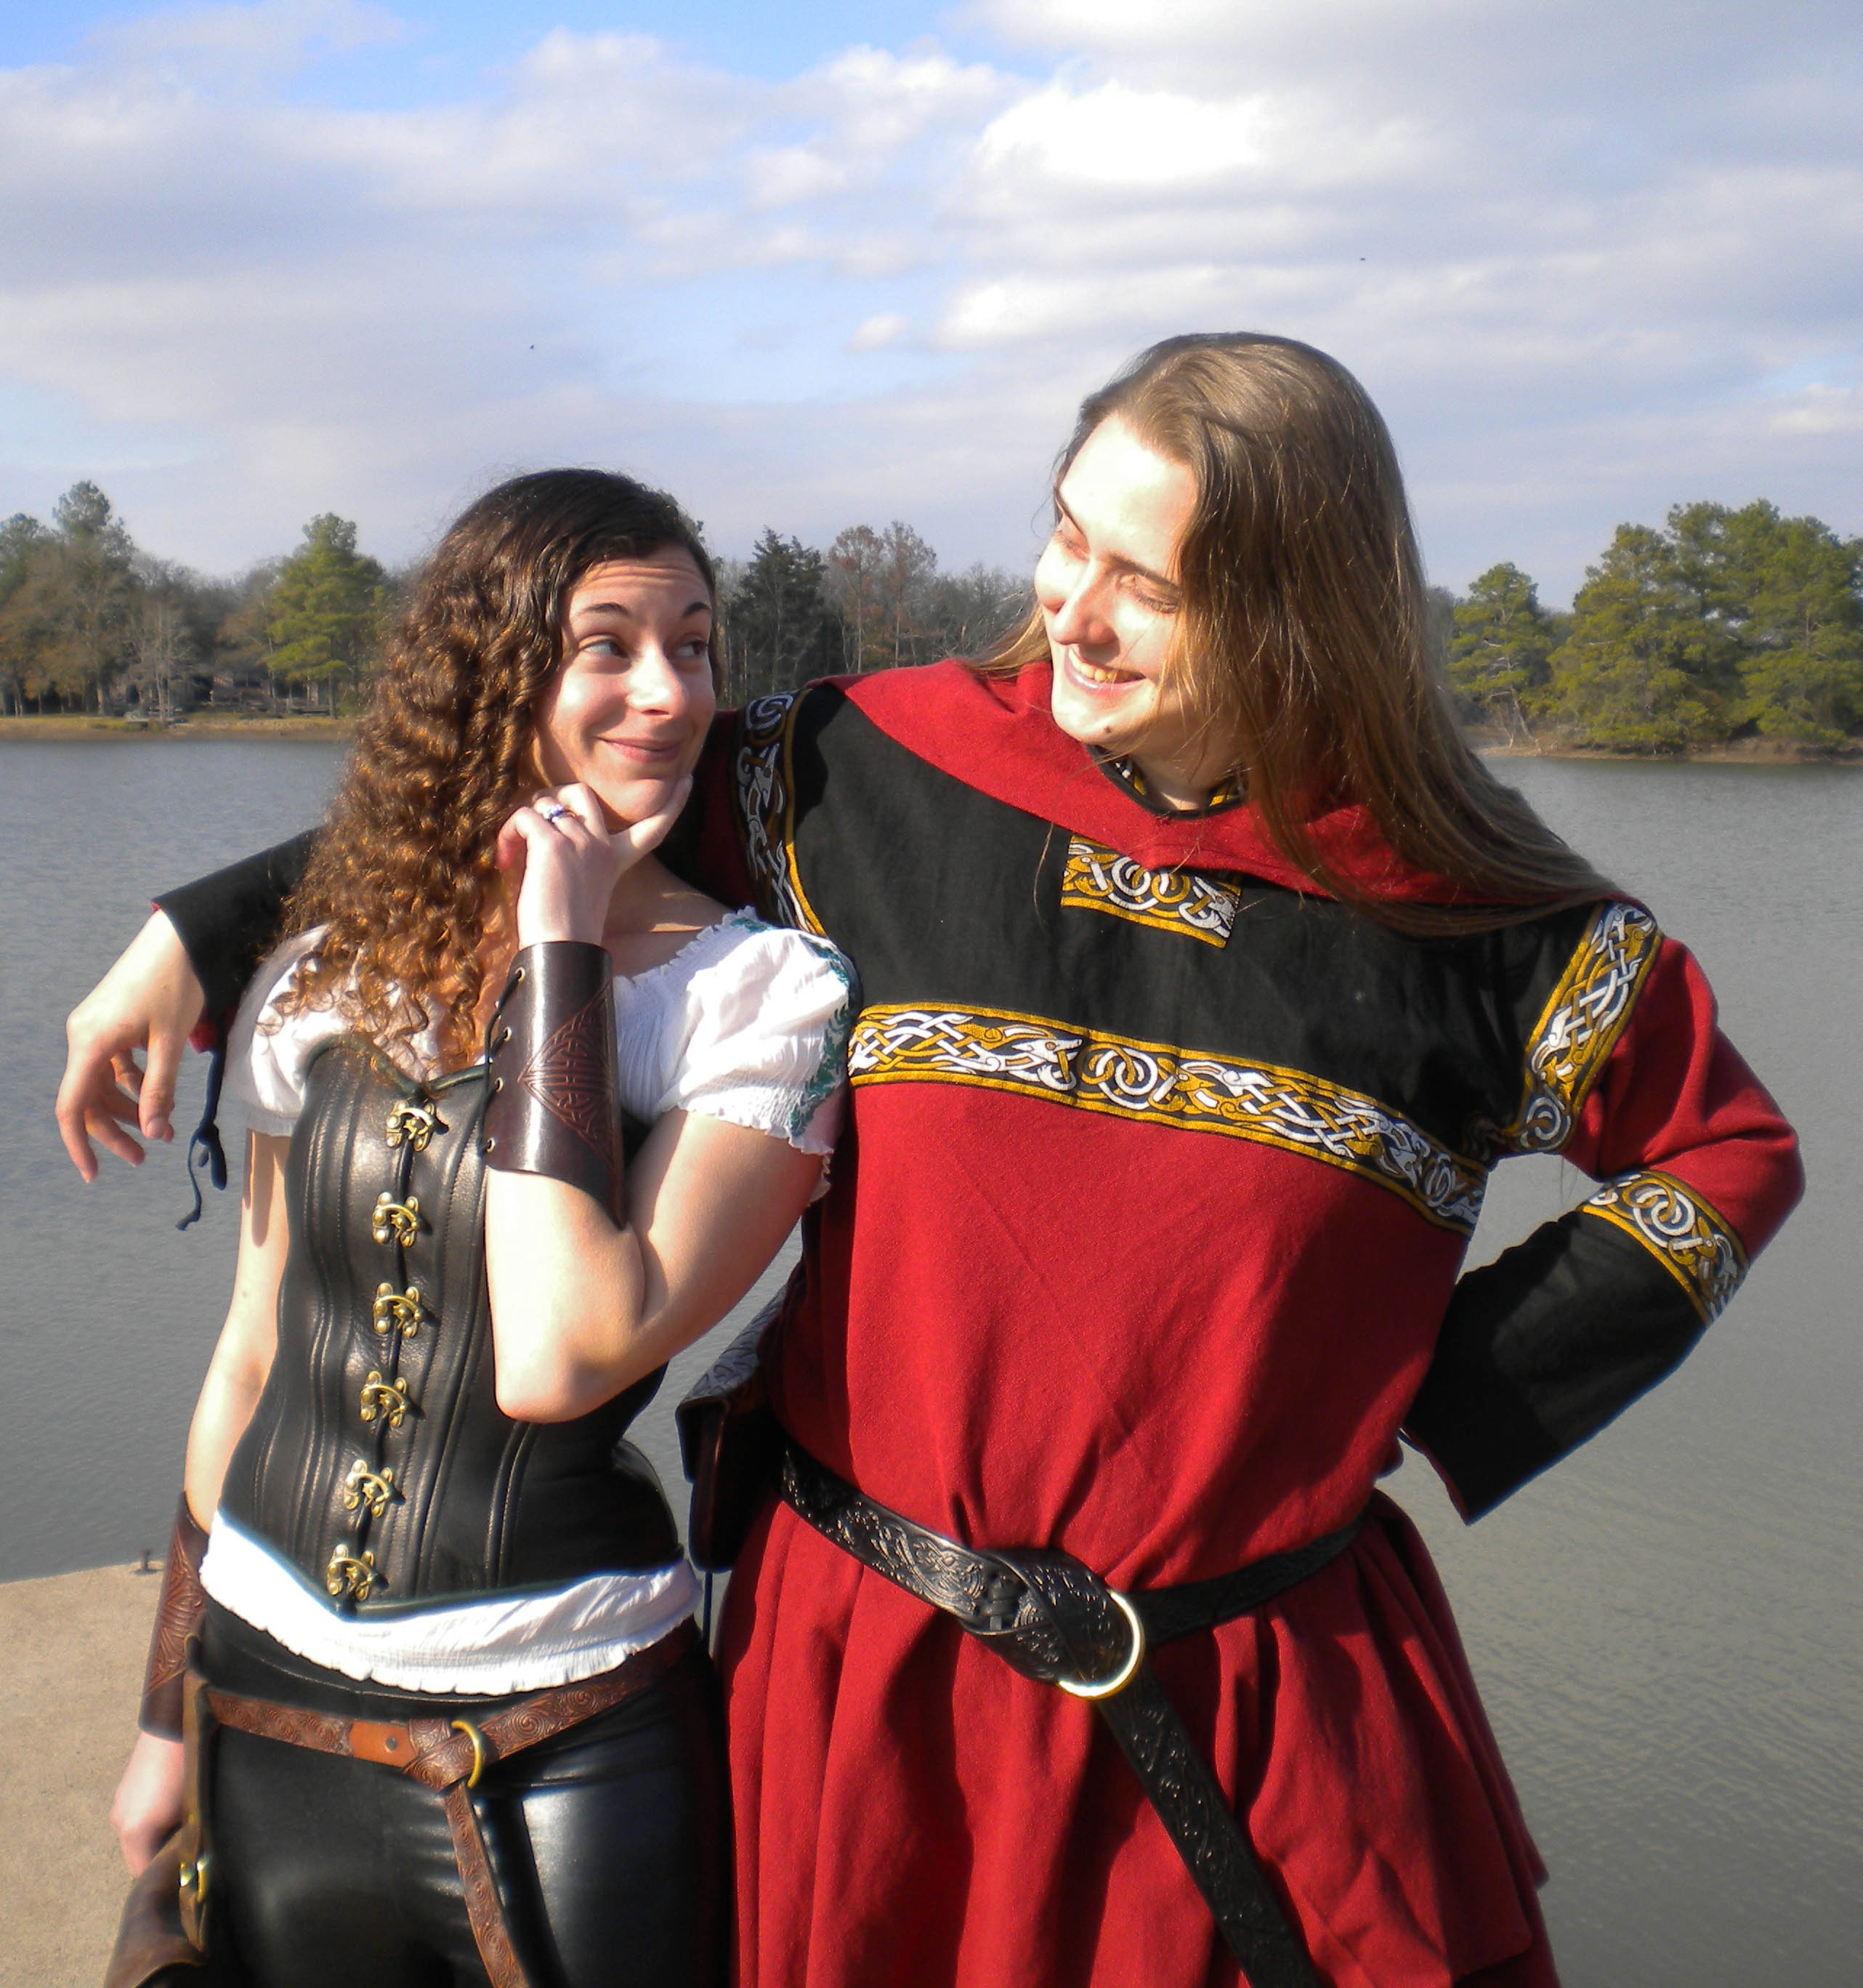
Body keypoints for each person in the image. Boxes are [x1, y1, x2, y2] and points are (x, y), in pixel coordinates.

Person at [65, 337, 1801, 1988]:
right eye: (1068, 534)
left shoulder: (1485, 928)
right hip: (868, 1682)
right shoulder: (858, 779)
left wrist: (1423, 1397)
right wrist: (194, 934)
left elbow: (1726, 1153)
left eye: (1147, 583)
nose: (1071, 608)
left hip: (1245, 1701)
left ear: (1298, 612)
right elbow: (520, 802)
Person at [97, 469, 853, 1988]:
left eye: (696, 645)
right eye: (610, 646)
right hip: (262, 1690)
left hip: (563, 1726)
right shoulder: (324, 966)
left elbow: (567, 1351)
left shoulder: (757, 996)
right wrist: (164, 1712)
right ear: (494, 674)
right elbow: (250, 1357)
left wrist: (559, 946)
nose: (671, 693)